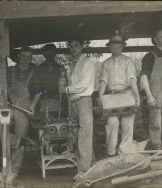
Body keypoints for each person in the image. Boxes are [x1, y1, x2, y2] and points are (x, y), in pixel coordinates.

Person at [0, 46, 41, 179]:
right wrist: (1, 107)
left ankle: (13, 171)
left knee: (19, 133)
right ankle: (22, 141)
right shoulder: (9, 71)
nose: (26, 59)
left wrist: (32, 106)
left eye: (29, 57)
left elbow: (37, 93)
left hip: (24, 109)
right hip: (8, 107)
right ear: (19, 56)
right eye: (23, 56)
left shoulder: (34, 72)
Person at [99, 31, 140, 157]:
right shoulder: (106, 63)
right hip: (112, 97)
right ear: (109, 47)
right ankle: (111, 153)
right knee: (112, 122)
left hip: (127, 95)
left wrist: (137, 96)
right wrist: (100, 98)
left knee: (127, 123)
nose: (115, 47)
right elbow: (103, 82)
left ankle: (124, 152)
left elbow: (132, 79)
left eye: (118, 44)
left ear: (122, 46)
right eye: (113, 44)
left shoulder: (128, 61)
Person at [66, 38, 95, 180]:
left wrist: (67, 89)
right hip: (74, 102)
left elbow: (84, 85)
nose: (73, 48)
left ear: (82, 46)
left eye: (76, 46)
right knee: (78, 134)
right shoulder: (72, 64)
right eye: (71, 46)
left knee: (85, 135)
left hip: (84, 101)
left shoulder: (87, 63)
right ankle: (90, 165)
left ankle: (84, 170)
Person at [32, 44, 66, 118]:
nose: (50, 54)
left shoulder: (60, 68)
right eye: (48, 52)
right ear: (43, 54)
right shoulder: (39, 69)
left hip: (58, 101)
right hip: (43, 101)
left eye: (52, 52)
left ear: (55, 53)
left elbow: (64, 87)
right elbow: (36, 88)